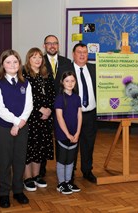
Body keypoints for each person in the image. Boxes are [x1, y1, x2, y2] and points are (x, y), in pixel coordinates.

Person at [0, 50, 33, 208]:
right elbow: (0, 108)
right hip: (3, 128)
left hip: (22, 127)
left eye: (15, 62)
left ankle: (18, 191)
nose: (12, 65)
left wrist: (20, 124)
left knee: (19, 160)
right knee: (4, 161)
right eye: (8, 62)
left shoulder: (25, 83)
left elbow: (29, 106)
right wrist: (16, 122)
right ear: (2, 64)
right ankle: (3, 193)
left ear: (20, 64)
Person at [22, 48, 55, 192]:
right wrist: (38, 110)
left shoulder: (47, 75)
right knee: (28, 149)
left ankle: (36, 176)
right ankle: (27, 178)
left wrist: (48, 110)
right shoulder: (23, 75)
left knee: (40, 148)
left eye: (40, 57)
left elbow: (53, 94)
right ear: (28, 59)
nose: (37, 60)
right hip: (30, 119)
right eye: (34, 57)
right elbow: (23, 99)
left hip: (45, 119)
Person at [40, 34, 71, 177]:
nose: (52, 46)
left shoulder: (66, 62)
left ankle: (63, 168)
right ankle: (41, 170)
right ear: (44, 46)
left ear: (58, 46)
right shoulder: (39, 61)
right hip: (44, 108)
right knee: (43, 139)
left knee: (62, 137)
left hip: (62, 107)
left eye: (55, 43)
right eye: (49, 43)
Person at [66, 43, 97, 183]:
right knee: (72, 144)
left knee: (88, 144)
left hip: (90, 114)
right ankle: (70, 172)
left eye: (85, 52)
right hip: (72, 115)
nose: (82, 55)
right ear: (73, 54)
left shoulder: (94, 69)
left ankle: (87, 170)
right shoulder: (66, 70)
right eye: (79, 52)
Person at [54, 71, 82, 195]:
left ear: (75, 82)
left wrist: (77, 133)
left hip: (74, 134)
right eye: (67, 81)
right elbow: (60, 118)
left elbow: (79, 116)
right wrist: (67, 134)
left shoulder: (77, 98)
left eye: (72, 81)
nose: (70, 83)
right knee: (62, 159)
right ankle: (61, 183)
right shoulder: (60, 98)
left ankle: (68, 181)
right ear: (62, 82)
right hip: (63, 134)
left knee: (71, 160)